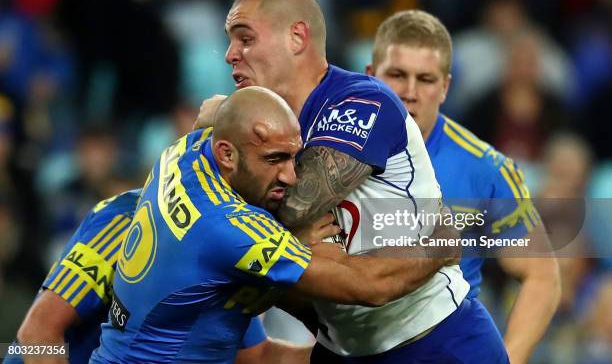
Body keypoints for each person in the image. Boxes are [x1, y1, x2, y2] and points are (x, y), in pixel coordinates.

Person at [199, 0, 508, 363]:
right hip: (341, 350)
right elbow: (233, 239)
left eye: (245, 39)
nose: (231, 54)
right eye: (231, 41)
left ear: (297, 38)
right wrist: (291, 242)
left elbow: (296, 204)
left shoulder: (361, 101)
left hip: (436, 341)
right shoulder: (250, 130)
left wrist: (283, 234)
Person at [90, 87, 458, 364]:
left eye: (295, 157)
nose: (292, 175)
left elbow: (212, 118)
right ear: (227, 154)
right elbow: (369, 286)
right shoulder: (228, 229)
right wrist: (441, 243)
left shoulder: (185, 151)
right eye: (275, 159)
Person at [365, 9, 561, 364]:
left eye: (425, 79)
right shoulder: (331, 152)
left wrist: (506, 359)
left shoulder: (485, 168)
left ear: (445, 87)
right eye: (397, 75)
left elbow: (542, 278)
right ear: (369, 76)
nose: (409, 92)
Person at [3, 188, 312, 364]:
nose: (286, 177)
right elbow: (38, 333)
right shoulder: (127, 221)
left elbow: (256, 356)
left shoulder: (226, 246)